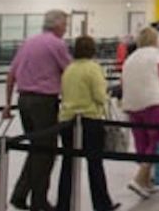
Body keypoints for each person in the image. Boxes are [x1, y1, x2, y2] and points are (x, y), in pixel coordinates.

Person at [5, 10, 72, 211]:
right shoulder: (56, 44)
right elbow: (70, 71)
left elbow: (11, 74)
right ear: (58, 25)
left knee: (36, 148)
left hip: (23, 100)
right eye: (65, 25)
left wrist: (7, 103)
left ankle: (20, 193)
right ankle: (39, 201)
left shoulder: (28, 42)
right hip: (43, 102)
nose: (66, 29)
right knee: (46, 151)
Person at [56, 36, 118, 211]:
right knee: (95, 164)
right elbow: (99, 96)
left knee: (67, 165)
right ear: (93, 50)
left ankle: (63, 204)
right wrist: (108, 95)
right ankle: (102, 204)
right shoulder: (93, 68)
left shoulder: (69, 68)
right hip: (90, 120)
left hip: (67, 120)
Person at [121, 27, 159, 198]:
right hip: (154, 102)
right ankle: (138, 179)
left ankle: (146, 180)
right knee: (156, 140)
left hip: (132, 103)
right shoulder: (158, 56)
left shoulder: (130, 58)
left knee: (141, 141)